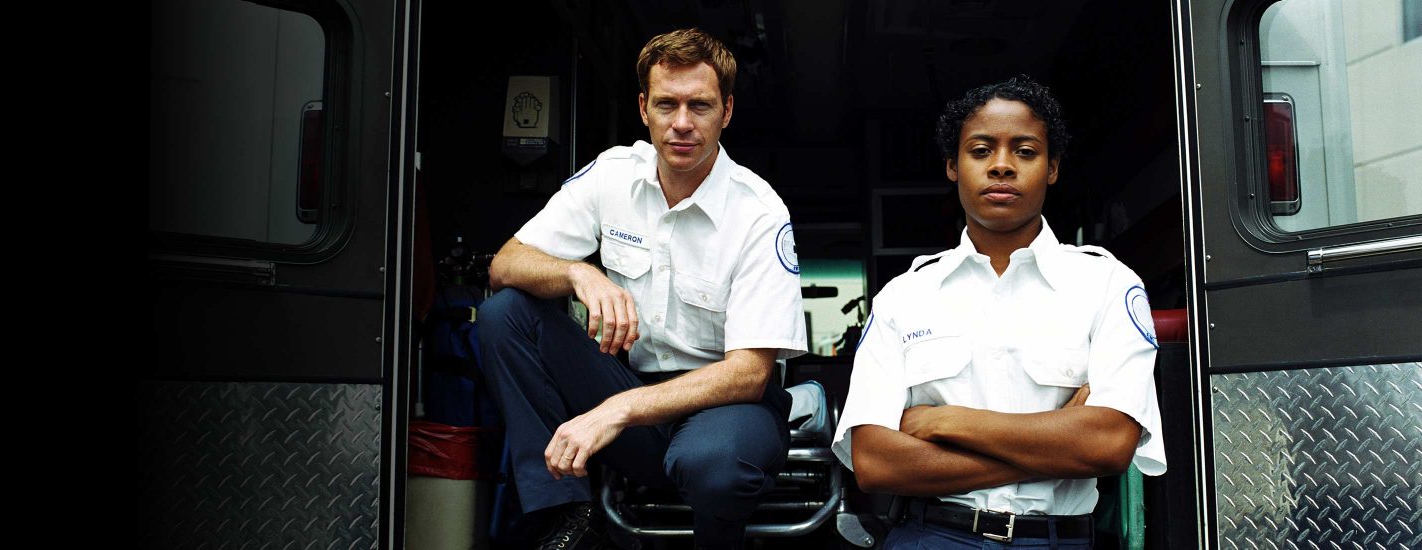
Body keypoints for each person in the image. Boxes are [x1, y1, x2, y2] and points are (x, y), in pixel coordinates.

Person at [476, 27, 807, 550]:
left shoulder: (758, 212)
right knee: (505, 314)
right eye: (666, 104)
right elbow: (505, 264)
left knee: (714, 466)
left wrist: (615, 411)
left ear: (727, 111)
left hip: (724, 409)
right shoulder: (612, 176)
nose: (681, 124)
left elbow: (748, 374)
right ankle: (564, 516)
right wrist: (577, 273)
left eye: (699, 105)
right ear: (642, 107)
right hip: (626, 387)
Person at [831, 75, 1167, 549]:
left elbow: (1110, 443)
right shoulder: (904, 296)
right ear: (953, 165)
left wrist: (949, 421)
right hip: (931, 535)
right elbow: (875, 463)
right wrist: (1057, 445)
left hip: (1054, 540)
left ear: (1052, 168)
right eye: (981, 150)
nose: (1002, 166)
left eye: (1026, 152)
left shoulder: (1107, 285)